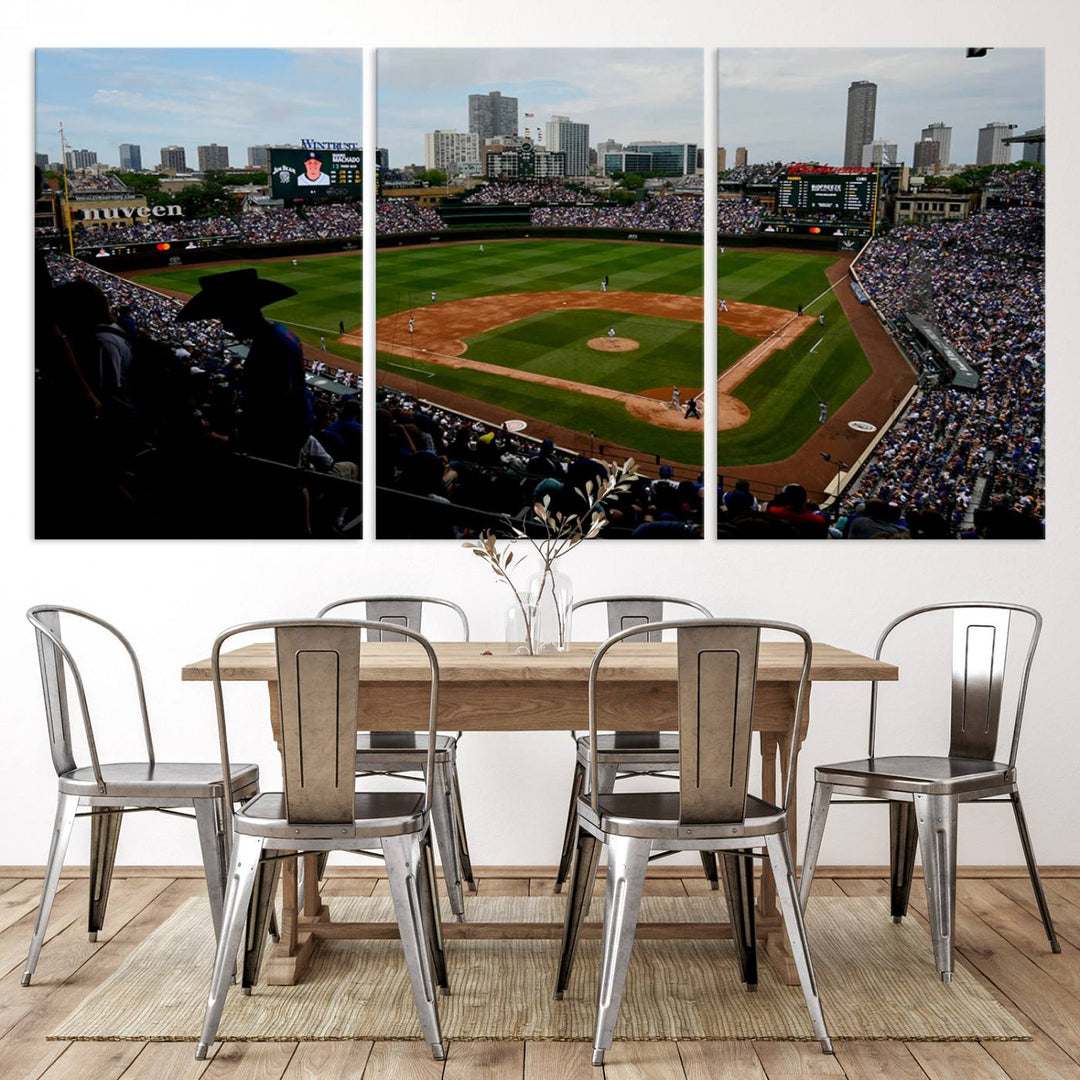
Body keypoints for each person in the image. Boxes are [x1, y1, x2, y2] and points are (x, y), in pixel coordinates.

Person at [176, 268, 311, 465]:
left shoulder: (271, 343)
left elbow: (276, 404)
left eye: (225, 317)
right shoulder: (275, 334)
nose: (224, 326)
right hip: (285, 433)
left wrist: (237, 440)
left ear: (241, 314)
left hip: (277, 440)